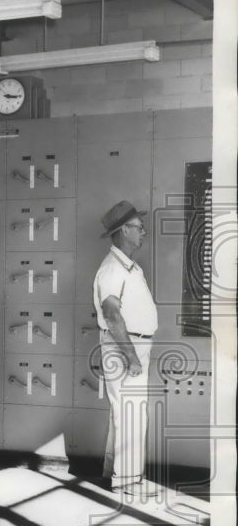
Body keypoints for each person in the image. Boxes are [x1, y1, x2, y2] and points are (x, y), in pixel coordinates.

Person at [93, 200, 159, 500]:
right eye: (138, 228)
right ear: (122, 231)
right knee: (129, 412)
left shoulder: (128, 267)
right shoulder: (111, 270)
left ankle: (114, 475)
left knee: (125, 412)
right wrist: (131, 356)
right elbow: (112, 315)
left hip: (133, 344)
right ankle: (127, 483)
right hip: (124, 345)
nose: (143, 233)